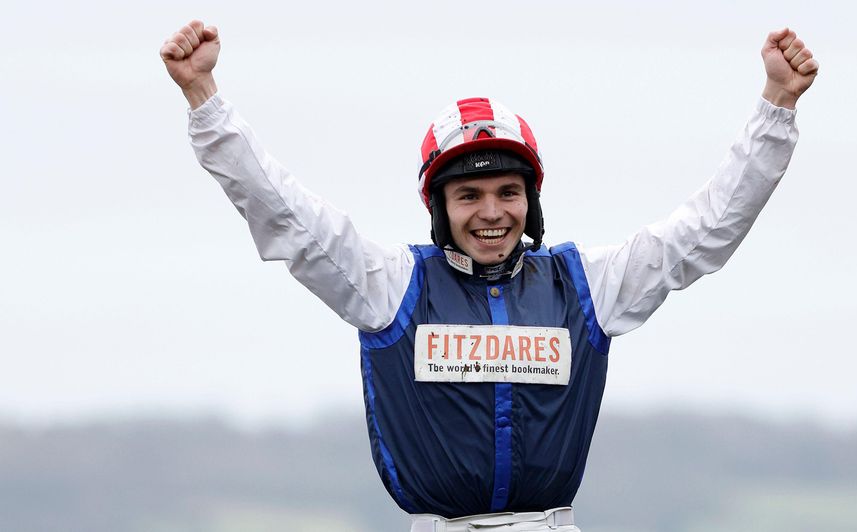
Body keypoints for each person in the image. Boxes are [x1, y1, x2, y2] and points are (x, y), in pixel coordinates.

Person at [161, 20, 818, 532]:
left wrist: (777, 106)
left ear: (531, 201)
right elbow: (283, 213)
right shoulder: (389, 284)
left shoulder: (584, 284)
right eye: (468, 196)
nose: (492, 212)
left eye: (508, 192)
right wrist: (203, 97)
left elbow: (705, 230)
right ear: (439, 208)